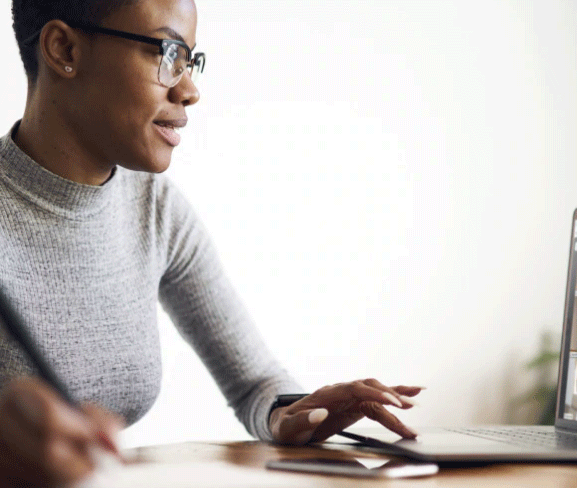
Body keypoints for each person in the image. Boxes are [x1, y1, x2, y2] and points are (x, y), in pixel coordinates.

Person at [0, 1, 422, 486]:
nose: (189, 89)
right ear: (63, 48)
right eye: (167, 52)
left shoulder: (154, 208)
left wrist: (289, 413)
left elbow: (256, 384)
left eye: (189, 60)